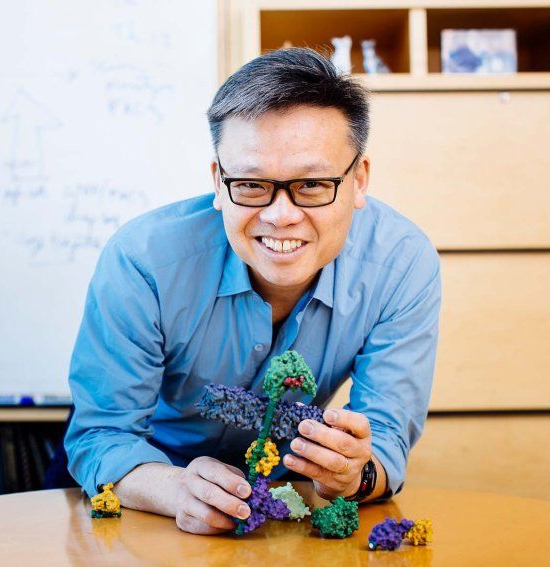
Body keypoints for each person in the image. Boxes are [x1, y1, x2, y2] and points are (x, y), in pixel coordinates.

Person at [64, 48, 441, 535]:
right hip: (149, 488)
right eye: (250, 184)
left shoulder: (402, 264)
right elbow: (102, 434)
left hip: (291, 496)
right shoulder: (143, 260)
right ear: (219, 182)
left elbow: (386, 439)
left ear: (359, 179)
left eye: (312, 184)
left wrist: (353, 473)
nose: (280, 215)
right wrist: (174, 488)